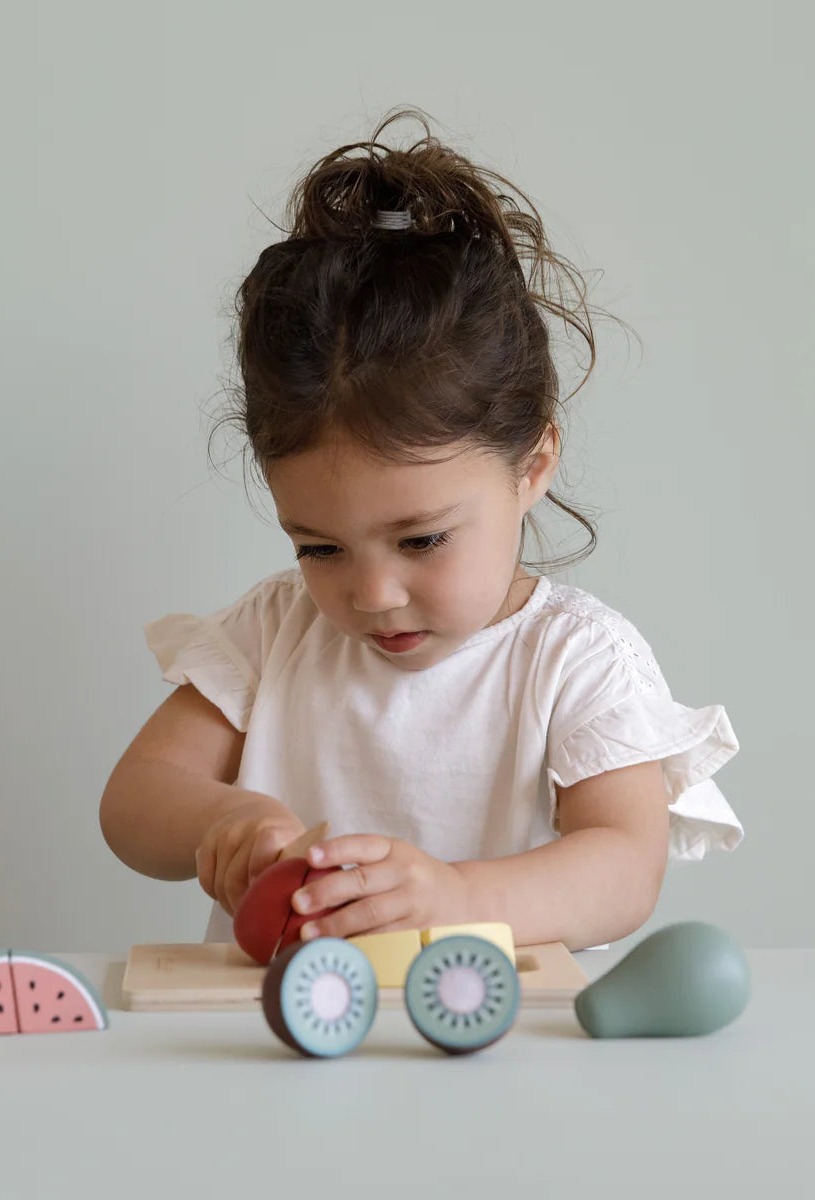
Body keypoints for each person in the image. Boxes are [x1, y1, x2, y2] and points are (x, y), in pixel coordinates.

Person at [98, 107, 742, 953]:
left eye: (422, 540)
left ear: (533, 465)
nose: (370, 594)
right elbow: (134, 800)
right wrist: (224, 815)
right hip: (274, 1049)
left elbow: (624, 867)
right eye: (318, 547)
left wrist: (454, 896)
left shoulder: (575, 660)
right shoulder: (272, 634)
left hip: (483, 1050)